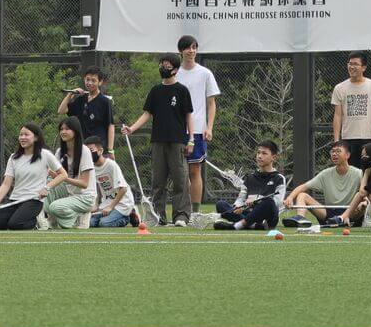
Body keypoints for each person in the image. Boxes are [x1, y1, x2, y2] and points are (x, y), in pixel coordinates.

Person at [120, 53, 195, 226]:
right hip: (158, 141)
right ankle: (158, 216)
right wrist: (132, 128)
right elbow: (147, 113)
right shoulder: (155, 91)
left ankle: (181, 216)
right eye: (162, 64)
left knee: (180, 180)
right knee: (158, 181)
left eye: (167, 66)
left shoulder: (182, 90)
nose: (163, 68)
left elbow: (189, 116)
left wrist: (191, 139)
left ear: (175, 70)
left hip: (177, 141)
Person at [174, 35, 220, 209]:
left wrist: (209, 127)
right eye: (187, 47)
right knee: (179, 173)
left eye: (194, 47)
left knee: (195, 170)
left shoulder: (205, 73)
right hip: (177, 131)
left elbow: (211, 103)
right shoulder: (174, 73)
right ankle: (181, 210)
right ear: (180, 51)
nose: (191, 51)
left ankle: (195, 212)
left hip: (198, 131)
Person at [0, 124, 62, 231]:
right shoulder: (13, 157)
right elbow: (6, 184)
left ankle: (35, 222)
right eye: (21, 135)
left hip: (34, 200)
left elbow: (63, 175)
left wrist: (47, 187)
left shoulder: (45, 155)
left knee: (15, 225)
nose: (22, 137)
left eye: (26, 135)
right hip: (15, 199)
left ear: (36, 137)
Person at [284, 142, 363, 231]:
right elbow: (303, 186)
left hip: (350, 211)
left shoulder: (358, 173)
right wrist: (290, 198)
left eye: (338, 151)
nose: (334, 154)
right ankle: (300, 219)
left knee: (363, 202)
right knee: (302, 195)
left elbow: (365, 192)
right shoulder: (326, 173)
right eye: (332, 152)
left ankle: (349, 220)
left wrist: (363, 203)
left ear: (347, 155)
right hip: (328, 213)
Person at [212, 141, 286, 232]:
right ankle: (253, 226)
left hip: (267, 217)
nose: (259, 156)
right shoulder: (249, 177)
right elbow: (241, 198)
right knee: (221, 204)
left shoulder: (279, 178)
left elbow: (277, 202)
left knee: (269, 202)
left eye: (264, 153)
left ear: (273, 158)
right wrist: (238, 206)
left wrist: (256, 200)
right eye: (258, 152)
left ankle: (237, 226)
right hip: (247, 214)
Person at [330, 52, 371, 166]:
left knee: (370, 174)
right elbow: (337, 115)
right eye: (350, 63)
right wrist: (337, 140)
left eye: (356, 64)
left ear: (364, 67)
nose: (351, 67)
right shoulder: (339, 88)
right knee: (352, 174)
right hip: (348, 139)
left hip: (370, 138)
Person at [44, 117, 96, 229]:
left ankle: (79, 215)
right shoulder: (60, 152)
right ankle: (53, 222)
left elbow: (84, 184)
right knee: (46, 185)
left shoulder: (84, 151)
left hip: (85, 197)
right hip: (69, 192)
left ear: (75, 131)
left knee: (54, 207)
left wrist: (63, 177)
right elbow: (53, 175)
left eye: (67, 129)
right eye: (61, 129)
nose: (63, 132)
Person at [59, 67, 116, 155]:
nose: (90, 83)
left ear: (100, 82)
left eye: (93, 80)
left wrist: (110, 150)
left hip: (98, 147)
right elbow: (61, 111)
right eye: (87, 79)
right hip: (82, 146)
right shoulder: (81, 100)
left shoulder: (105, 101)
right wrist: (70, 94)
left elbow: (110, 125)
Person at [86, 135, 135, 228]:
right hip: (107, 203)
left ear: (100, 151)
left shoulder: (111, 165)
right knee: (90, 224)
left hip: (122, 203)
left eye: (91, 150)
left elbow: (123, 189)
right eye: (86, 152)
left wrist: (110, 207)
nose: (88, 154)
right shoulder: (91, 169)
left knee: (104, 224)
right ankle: (115, 215)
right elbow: (96, 189)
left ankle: (129, 216)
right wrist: (95, 206)